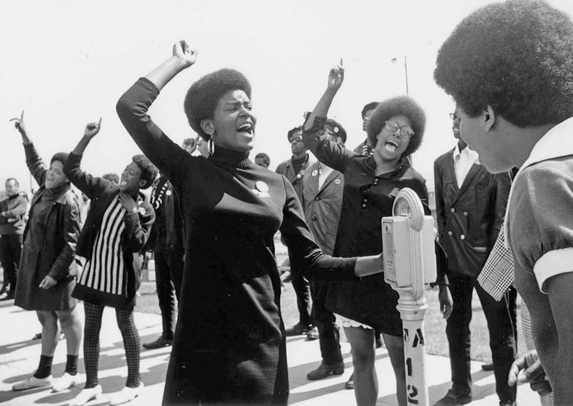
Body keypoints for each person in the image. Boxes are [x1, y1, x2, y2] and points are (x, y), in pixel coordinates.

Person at [116, 40, 385, 406]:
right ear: (208, 125)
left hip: (260, 343)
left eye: (249, 105)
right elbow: (130, 107)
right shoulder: (190, 171)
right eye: (233, 107)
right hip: (201, 343)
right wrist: (176, 63)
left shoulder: (278, 183)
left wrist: (379, 263)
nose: (247, 113)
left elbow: (311, 261)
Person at [434, 0, 573, 404]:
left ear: (489, 114)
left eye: (460, 114)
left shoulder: (541, 181)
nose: (460, 129)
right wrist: (552, 355)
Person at [302, 63, 451, 406]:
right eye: (392, 126)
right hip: (352, 276)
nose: (397, 133)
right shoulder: (353, 162)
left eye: (407, 132)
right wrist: (331, 90)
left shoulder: (413, 181)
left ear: (412, 141)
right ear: (377, 129)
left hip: (391, 285)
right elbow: (312, 134)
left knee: (404, 366)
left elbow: (425, 237)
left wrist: (441, 286)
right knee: (361, 359)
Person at [64, 119, 157, 406]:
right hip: (93, 273)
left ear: (141, 182)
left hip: (121, 278)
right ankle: (92, 385)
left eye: (130, 173)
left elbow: (139, 243)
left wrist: (131, 213)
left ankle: (134, 382)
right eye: (125, 169)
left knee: (125, 326)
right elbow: (72, 170)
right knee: (91, 329)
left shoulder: (145, 209)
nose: (123, 174)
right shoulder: (104, 189)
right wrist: (86, 137)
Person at [433, 111, 515, 406]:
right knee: (455, 328)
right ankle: (460, 390)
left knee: (500, 333)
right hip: (454, 262)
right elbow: (441, 220)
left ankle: (507, 399)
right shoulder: (441, 163)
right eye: (452, 117)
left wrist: (494, 268)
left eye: (462, 117)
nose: (455, 122)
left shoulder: (494, 163)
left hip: (487, 262)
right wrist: (441, 272)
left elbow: (501, 220)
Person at [9, 111, 84, 393]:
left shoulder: (69, 200)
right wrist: (25, 135)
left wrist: (55, 274)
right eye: (51, 169)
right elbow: (34, 162)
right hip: (38, 266)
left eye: (58, 171)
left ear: (69, 178)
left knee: (67, 316)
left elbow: (72, 244)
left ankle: (72, 371)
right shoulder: (46, 184)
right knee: (45, 317)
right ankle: (43, 373)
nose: (51, 173)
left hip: (58, 271)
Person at [302, 118, 346, 380]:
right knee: (321, 309)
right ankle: (331, 360)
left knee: (357, 313)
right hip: (317, 252)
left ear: (337, 141)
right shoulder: (309, 172)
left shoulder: (348, 171)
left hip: (344, 251)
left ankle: (364, 365)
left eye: (324, 136)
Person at [142, 141, 190, 350]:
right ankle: (168, 333)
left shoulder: (178, 179)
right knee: (163, 291)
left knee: (182, 291)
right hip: (162, 244)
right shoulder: (158, 183)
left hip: (177, 244)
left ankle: (187, 336)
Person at [275, 126, 315, 336]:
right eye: (291, 139)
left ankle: (317, 323)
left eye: (298, 139)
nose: (294, 142)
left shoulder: (317, 165)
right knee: (298, 279)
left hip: (314, 230)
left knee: (316, 277)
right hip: (292, 230)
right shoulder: (282, 168)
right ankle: (305, 320)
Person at [0, 177, 28, 300]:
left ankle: (24, 291)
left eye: (10, 186)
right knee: (7, 264)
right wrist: (8, 218)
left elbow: (18, 212)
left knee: (19, 263)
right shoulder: (3, 203)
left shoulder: (22, 200)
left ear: (17, 187)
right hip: (4, 236)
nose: (8, 189)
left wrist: (4, 216)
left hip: (17, 235)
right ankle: (13, 291)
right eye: (7, 187)